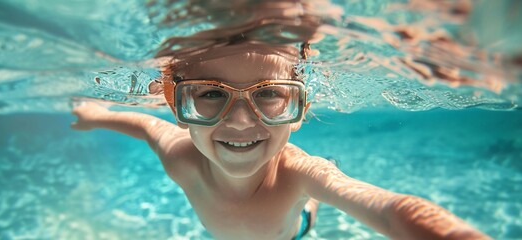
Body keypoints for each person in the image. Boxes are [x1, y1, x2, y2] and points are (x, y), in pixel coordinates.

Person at [72, 41, 489, 240]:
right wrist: (96, 117)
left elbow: (390, 209)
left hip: (295, 231)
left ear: (301, 110)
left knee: (311, 192)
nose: (239, 121)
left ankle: (309, 207)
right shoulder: (180, 156)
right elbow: (144, 126)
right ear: (178, 106)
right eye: (211, 93)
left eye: (269, 94)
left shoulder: (300, 173)